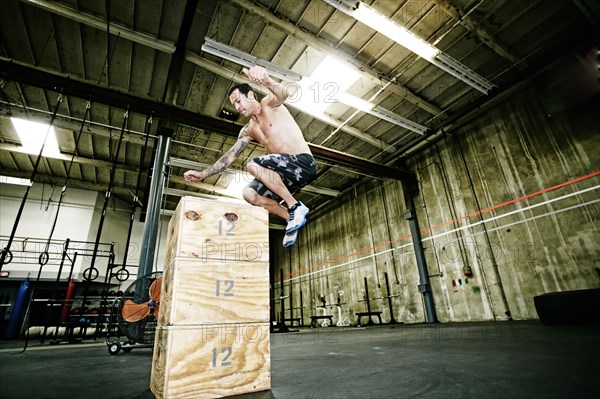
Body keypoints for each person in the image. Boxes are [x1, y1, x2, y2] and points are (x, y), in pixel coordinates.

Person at [184, 65, 317, 247]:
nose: (238, 107)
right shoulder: (247, 130)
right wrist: (203, 174)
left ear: (251, 95)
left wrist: (267, 81)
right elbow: (229, 157)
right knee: (248, 193)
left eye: (239, 101)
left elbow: (284, 93)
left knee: (253, 164)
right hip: (286, 177)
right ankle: (291, 219)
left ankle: (295, 206)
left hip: (303, 163)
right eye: (234, 105)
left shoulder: (268, 105)